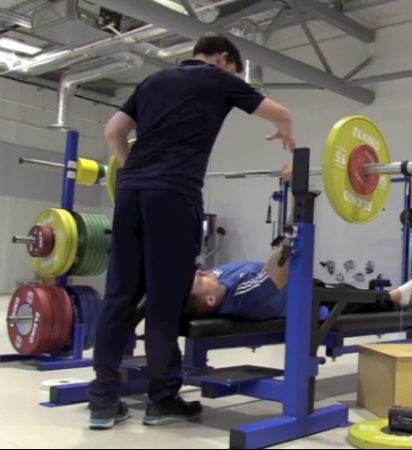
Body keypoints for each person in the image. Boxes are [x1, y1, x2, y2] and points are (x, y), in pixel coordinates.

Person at [88, 33, 296, 430]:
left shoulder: (153, 81)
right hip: (174, 196)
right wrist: (285, 132)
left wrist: (135, 172)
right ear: (223, 59)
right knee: (165, 304)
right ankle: (162, 399)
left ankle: (102, 402)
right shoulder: (217, 78)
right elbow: (281, 113)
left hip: (130, 194)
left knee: (118, 297)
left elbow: (113, 132)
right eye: (233, 70)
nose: (233, 76)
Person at [185, 164, 412, 322]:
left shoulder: (210, 282)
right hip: (306, 299)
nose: (200, 271)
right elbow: (286, 250)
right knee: (343, 299)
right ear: (210, 301)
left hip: (298, 285)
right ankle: (394, 298)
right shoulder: (245, 297)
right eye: (199, 278)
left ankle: (393, 297)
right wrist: (295, 189)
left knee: (342, 290)